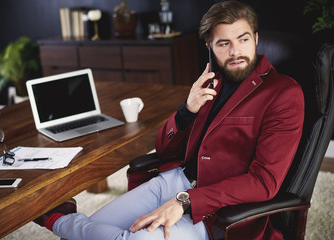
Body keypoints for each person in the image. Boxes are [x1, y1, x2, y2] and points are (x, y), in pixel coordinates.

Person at [34, 1, 304, 239]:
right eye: (224, 43)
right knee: (90, 231)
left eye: (243, 40)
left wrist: (186, 201)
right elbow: (164, 149)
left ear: (256, 38)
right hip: (175, 180)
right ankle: (68, 222)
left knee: (126, 239)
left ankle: (58, 219)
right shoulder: (210, 83)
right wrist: (188, 109)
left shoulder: (283, 93)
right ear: (210, 47)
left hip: (217, 211)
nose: (235, 52)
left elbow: (263, 182)